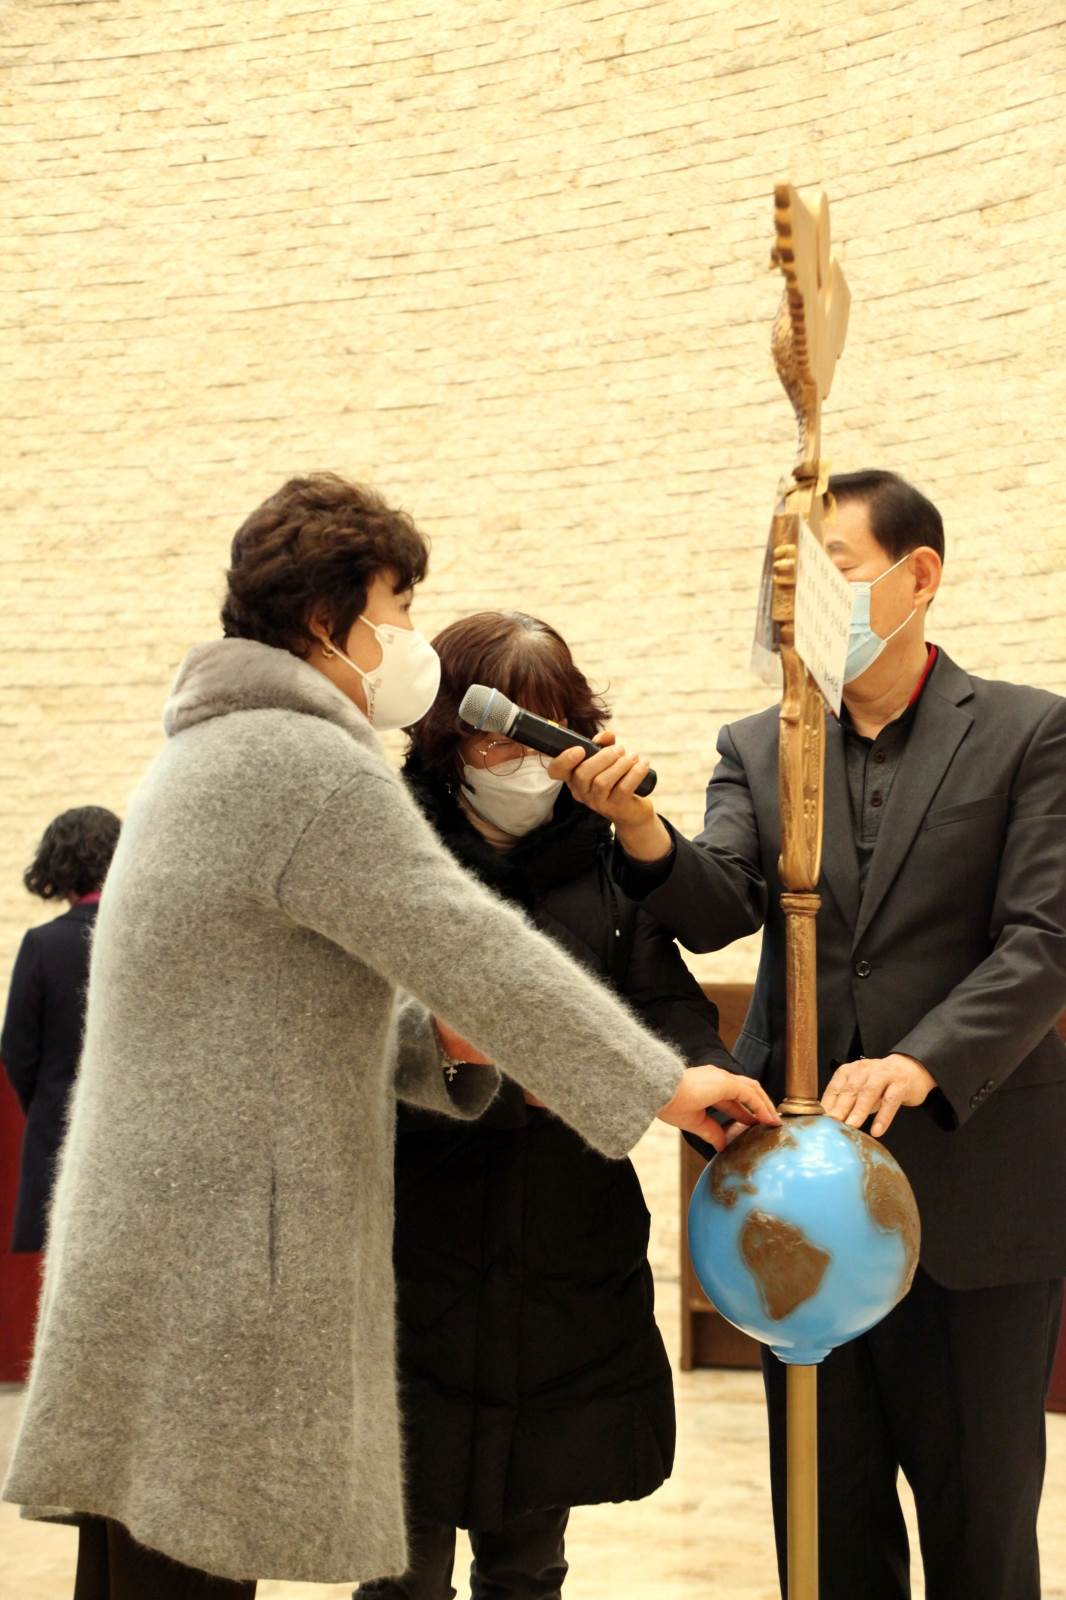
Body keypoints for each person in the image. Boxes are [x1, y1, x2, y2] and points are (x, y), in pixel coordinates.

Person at [1, 473, 778, 1600]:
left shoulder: (211, 748)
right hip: (211, 1256)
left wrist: (444, 1046)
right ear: (330, 622)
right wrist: (664, 1086)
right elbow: (477, 952)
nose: (410, 641)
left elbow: (296, 999)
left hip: (159, 1245)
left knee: (142, 1571)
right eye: (399, 608)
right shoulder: (305, 764)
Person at [552, 470, 1066, 1600]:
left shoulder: (1030, 730)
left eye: (829, 571)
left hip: (977, 1188)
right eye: (784, 581)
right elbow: (717, 906)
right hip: (800, 1202)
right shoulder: (758, 742)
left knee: (983, 1535)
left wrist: (922, 1057)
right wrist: (641, 830)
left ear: (917, 576)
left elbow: (1044, 940)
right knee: (827, 1535)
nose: (798, 604)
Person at [354, 611, 741, 1600]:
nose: (520, 759)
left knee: (529, 1558)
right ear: (446, 733)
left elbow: (667, 1003)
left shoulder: (609, 859)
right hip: (415, 1231)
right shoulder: (390, 847)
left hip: (564, 1235)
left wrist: (705, 1074)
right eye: (496, 735)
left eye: (546, 729)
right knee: (401, 1563)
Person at [2, 807, 121, 1254]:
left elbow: (17, 1052)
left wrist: (47, 1103)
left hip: (58, 1131)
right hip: (132, 1132)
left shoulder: (43, 945)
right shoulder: (143, 942)